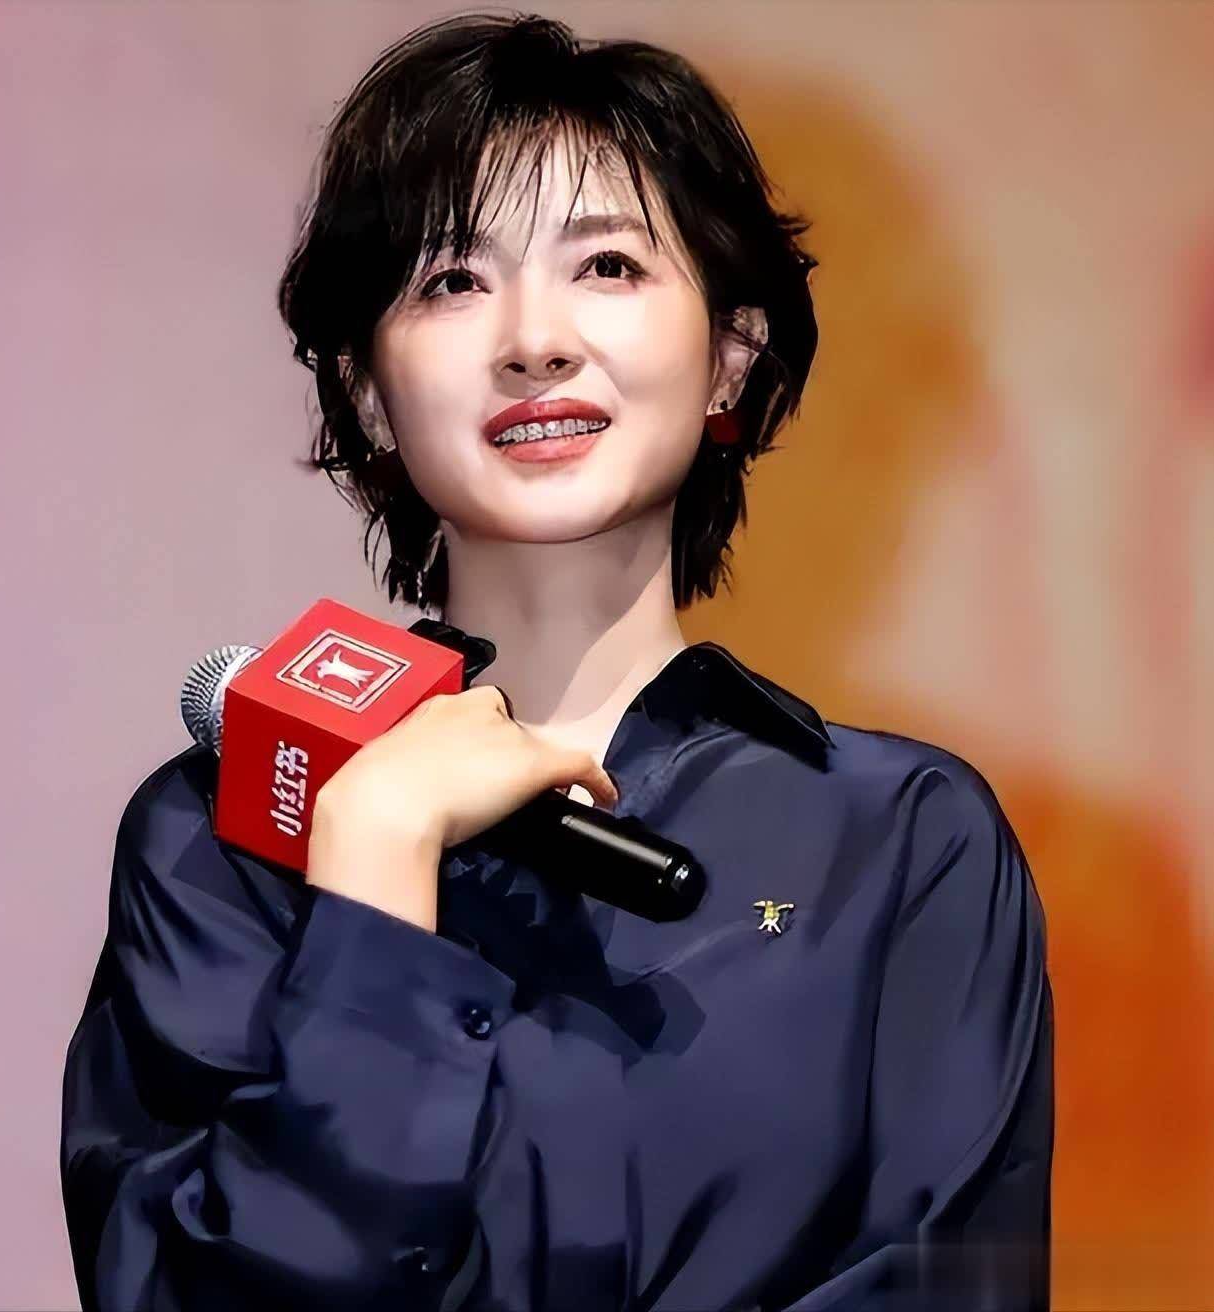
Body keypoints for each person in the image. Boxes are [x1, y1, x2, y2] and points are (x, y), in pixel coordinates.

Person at [60, 12, 1054, 1311]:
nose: (533, 340)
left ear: (731, 356)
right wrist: (373, 871)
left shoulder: (903, 838)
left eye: (608, 266)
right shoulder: (215, 839)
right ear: (365, 391)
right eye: (451, 282)